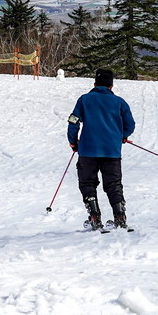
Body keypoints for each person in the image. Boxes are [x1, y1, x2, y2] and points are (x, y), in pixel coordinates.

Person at [67, 69, 135, 230]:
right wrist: (122, 136)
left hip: (87, 150)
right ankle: (120, 216)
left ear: (94, 84)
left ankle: (94, 215)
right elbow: (130, 125)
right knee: (114, 184)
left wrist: (73, 142)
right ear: (111, 85)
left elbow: (73, 121)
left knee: (87, 182)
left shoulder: (84, 100)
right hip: (112, 151)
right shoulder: (119, 102)